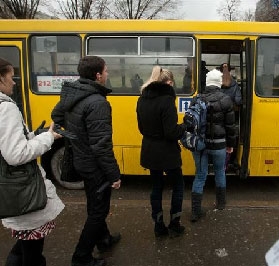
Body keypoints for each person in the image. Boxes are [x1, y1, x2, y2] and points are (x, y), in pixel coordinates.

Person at [51, 56, 122, 266]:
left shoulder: (73, 93)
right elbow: (101, 145)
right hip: (94, 166)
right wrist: (114, 175)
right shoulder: (98, 102)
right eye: (106, 71)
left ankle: (104, 239)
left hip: (81, 160)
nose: (107, 74)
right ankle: (81, 257)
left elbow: (56, 115)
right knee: (98, 211)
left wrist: (76, 135)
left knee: (95, 204)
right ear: (98, 75)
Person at [0, 57, 64, 266]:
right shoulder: (6, 108)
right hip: (21, 191)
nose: (14, 82)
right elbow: (15, 155)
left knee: (24, 247)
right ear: (0, 79)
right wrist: (47, 138)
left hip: (8, 189)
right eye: (11, 77)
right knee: (32, 253)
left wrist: (31, 136)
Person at [136, 66, 187, 238]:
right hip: (168, 152)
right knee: (178, 186)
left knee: (156, 187)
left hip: (150, 150)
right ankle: (174, 223)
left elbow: (141, 129)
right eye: (172, 83)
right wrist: (185, 126)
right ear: (168, 82)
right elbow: (171, 132)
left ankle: (158, 226)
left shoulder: (141, 99)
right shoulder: (167, 101)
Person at [191, 69, 235, 222]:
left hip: (201, 145)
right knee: (219, 172)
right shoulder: (226, 100)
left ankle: (196, 211)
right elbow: (231, 126)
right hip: (219, 144)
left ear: (207, 82)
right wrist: (230, 145)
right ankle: (220, 204)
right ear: (219, 83)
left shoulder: (197, 99)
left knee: (200, 175)